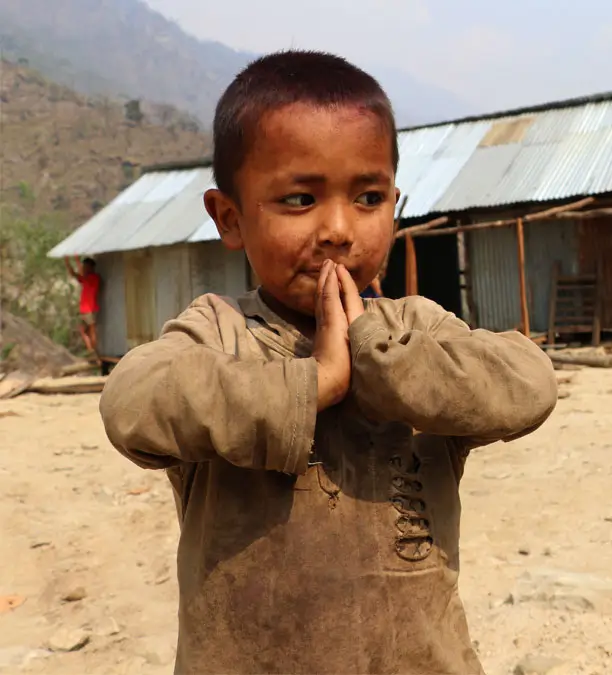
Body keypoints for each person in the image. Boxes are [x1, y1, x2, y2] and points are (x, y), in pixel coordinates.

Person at [98, 50, 558, 675]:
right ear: (229, 218)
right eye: (298, 199)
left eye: (368, 197)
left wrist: (382, 363)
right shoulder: (219, 331)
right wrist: (314, 382)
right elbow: (134, 402)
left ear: (396, 203)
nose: (339, 229)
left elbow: (526, 381)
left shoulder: (412, 329)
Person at [65, 256, 100, 357]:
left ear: (91, 267)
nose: (84, 269)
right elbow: (74, 274)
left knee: (91, 331)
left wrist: (76, 259)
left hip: (90, 308)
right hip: (85, 309)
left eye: (86, 267)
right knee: (84, 330)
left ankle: (93, 351)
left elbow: (79, 274)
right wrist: (67, 263)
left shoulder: (93, 278)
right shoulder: (87, 278)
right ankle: (91, 350)